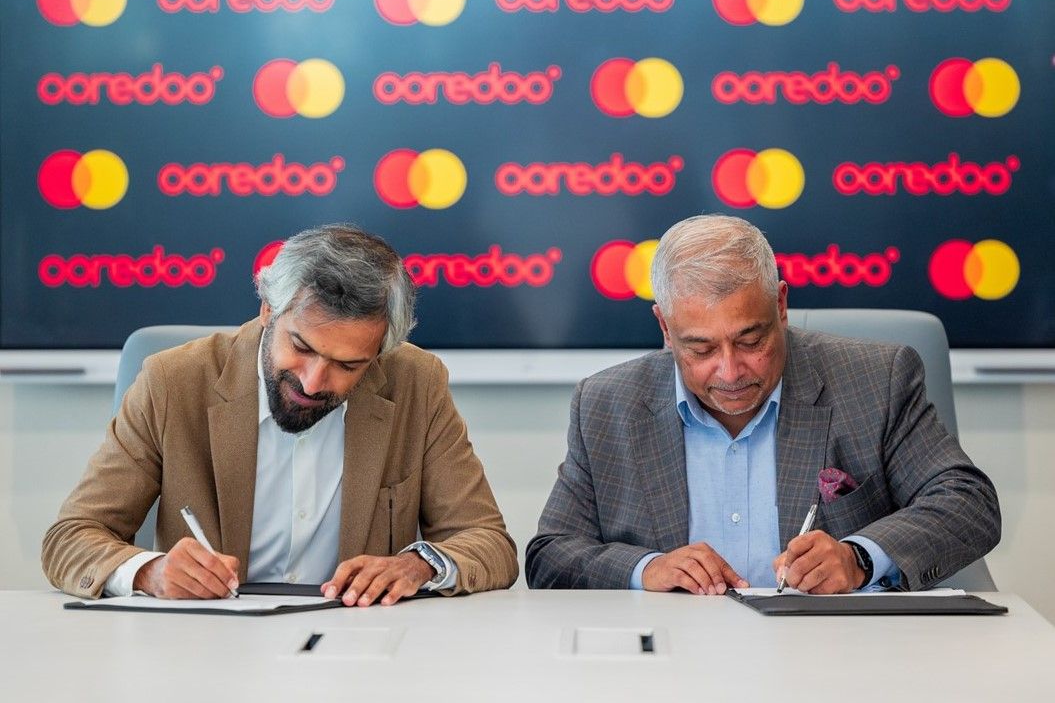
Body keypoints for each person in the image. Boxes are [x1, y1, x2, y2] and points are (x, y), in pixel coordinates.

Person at [43, 224, 518, 604]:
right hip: (206, 645)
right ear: (269, 310)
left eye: (348, 365)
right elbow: (70, 538)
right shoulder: (173, 382)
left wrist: (418, 566)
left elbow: (489, 543)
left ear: (380, 353)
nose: (313, 382)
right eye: (302, 347)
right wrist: (150, 572)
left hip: (355, 643)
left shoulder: (416, 382)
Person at [526, 214, 1000, 594]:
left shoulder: (875, 381)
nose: (731, 372)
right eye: (701, 349)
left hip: (836, 655)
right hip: (678, 657)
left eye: (751, 341)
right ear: (666, 328)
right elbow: (550, 555)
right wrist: (647, 569)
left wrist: (858, 557)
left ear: (781, 305)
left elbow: (968, 503)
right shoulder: (606, 404)